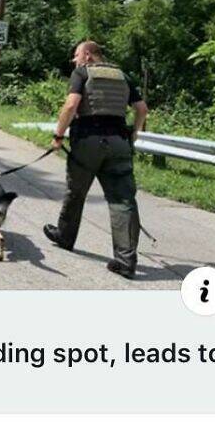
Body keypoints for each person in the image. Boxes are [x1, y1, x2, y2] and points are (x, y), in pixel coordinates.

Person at [43, 40, 148, 279]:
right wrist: (134, 132)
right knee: (123, 199)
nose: (74, 60)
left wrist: (58, 136)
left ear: (88, 55)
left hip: (88, 142)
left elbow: (71, 105)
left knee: (76, 191)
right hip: (119, 143)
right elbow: (141, 108)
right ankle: (126, 260)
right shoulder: (123, 76)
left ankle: (65, 236)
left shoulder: (82, 73)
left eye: (76, 55)